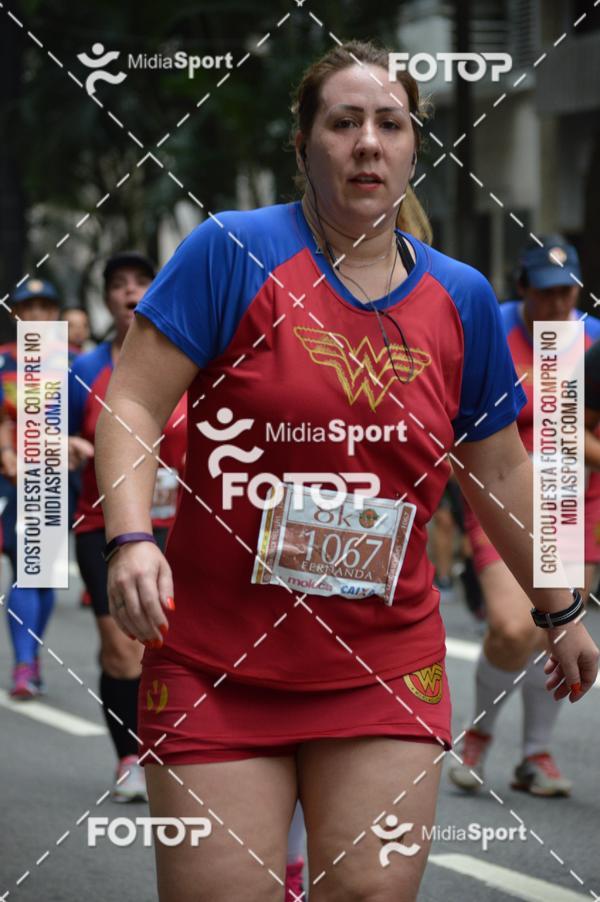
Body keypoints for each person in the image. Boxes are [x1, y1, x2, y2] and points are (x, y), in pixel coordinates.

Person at [95, 41, 598, 902]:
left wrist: (560, 606)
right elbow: (131, 402)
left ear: (413, 148)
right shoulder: (230, 252)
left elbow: (503, 470)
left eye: (390, 123)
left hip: (384, 661)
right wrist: (132, 539)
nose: (368, 141)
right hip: (219, 656)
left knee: (366, 892)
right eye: (344, 122)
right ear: (305, 146)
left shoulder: (460, 295)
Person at [449, 236, 600, 797]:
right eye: (546, 293)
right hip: (505, 496)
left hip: (576, 500)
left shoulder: (591, 338)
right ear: (522, 289)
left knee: (565, 631)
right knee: (515, 626)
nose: (558, 306)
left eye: (568, 294)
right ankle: (479, 735)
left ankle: (536, 753)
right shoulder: (492, 327)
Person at [68, 251, 187, 802]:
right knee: (123, 650)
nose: (131, 292)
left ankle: (174, 750)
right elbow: (38, 447)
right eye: (119, 285)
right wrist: (64, 445)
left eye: (143, 281)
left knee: (169, 649)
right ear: (108, 299)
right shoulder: (79, 370)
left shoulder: (195, 361)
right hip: (105, 527)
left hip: (182, 527)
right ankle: (129, 756)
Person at [0, 278, 62, 698]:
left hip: (57, 479)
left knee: (46, 578)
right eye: (28, 307)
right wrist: (6, 452)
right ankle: (24, 663)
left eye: (44, 306)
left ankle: (32, 655)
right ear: (16, 314)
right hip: (15, 479)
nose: (36, 315)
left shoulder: (74, 362)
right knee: (26, 567)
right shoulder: (3, 361)